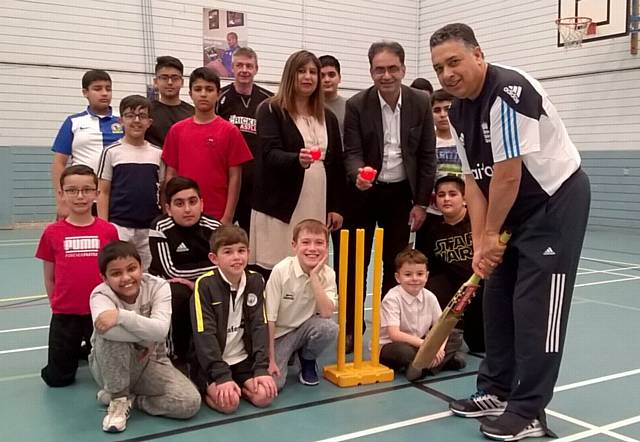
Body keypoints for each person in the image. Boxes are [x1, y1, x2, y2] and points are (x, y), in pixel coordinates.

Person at [430, 23, 590, 440]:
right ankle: (497, 389)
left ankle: (530, 408)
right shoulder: (458, 109)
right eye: (438, 67)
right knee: (496, 297)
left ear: (478, 55)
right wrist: (479, 242)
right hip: (511, 209)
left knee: (537, 308)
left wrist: (488, 236)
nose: (446, 73)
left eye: (454, 62)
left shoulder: (507, 92)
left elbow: (506, 176)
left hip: (553, 205)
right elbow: (473, 181)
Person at [343, 41, 436, 351]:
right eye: (379, 69)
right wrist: (358, 174)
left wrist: (421, 202)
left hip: (401, 196)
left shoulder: (420, 101)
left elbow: (426, 155)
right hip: (365, 195)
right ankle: (351, 329)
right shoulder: (356, 104)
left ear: (403, 69)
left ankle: (387, 332)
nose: (386, 75)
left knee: (392, 265)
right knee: (356, 265)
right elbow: (352, 152)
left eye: (392, 68)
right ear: (371, 72)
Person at [250, 50, 345, 280]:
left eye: (313, 72)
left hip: (316, 197)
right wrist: (296, 159)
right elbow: (268, 153)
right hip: (279, 201)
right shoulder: (270, 109)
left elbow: (335, 164)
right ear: (290, 75)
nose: (308, 77)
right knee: (277, 262)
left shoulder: (327, 116)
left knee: (310, 259)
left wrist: (334, 205)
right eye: (301, 71)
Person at [89, 240, 201, 433]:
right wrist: (144, 340)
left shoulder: (158, 287)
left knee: (189, 403)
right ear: (104, 278)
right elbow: (107, 331)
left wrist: (121, 316)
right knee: (109, 336)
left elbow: (161, 331)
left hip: (152, 361)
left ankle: (132, 400)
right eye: (116, 273)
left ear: (141, 267)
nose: (126, 278)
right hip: (109, 365)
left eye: (131, 269)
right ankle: (118, 398)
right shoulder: (99, 295)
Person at [35, 165, 119, 387]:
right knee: (57, 380)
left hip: (99, 313)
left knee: (110, 377)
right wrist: (56, 304)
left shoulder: (108, 231)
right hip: (66, 314)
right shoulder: (52, 233)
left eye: (86, 190)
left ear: (96, 193)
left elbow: (114, 274)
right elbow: (49, 277)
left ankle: (87, 349)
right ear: (61, 193)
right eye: (72, 190)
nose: (80, 196)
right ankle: (76, 350)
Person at [190, 226, 277, 414]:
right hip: (213, 362)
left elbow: (259, 326)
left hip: (242, 359)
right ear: (214, 258)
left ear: (249, 253)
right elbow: (204, 334)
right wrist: (221, 375)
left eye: (241, 251)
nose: (236, 257)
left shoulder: (255, 281)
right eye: (228, 252)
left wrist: (261, 368)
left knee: (265, 397)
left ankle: (236, 384)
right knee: (229, 405)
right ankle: (206, 387)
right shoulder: (204, 285)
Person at [162, 67, 253, 224]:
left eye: (209, 89)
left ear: (218, 94)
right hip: (183, 215)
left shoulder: (230, 131)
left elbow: (235, 177)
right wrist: (170, 211)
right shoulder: (177, 130)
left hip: (217, 216)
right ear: (190, 94)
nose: (203, 94)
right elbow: (170, 174)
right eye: (198, 89)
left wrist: (228, 217)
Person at [148, 176, 221, 369]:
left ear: (202, 204)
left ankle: (214, 352)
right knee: (177, 294)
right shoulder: (159, 227)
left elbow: (224, 264)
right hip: (170, 286)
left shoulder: (214, 227)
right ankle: (176, 355)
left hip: (202, 284)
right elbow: (169, 270)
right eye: (179, 204)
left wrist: (197, 283)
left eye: (192, 201)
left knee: (218, 290)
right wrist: (203, 275)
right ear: (168, 208)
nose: (187, 209)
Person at [265, 219, 338, 389]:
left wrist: (314, 276)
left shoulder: (328, 274)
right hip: (279, 334)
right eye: (305, 242)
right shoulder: (281, 270)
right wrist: (271, 359)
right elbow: (269, 318)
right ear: (294, 245)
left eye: (319, 243)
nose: (312, 248)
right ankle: (289, 355)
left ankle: (307, 359)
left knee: (329, 328)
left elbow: (326, 313)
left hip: (303, 329)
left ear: (326, 247)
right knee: (274, 385)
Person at [415, 176, 484, 353]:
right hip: (451, 290)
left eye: (452, 194)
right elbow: (425, 265)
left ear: (465, 199)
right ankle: (446, 334)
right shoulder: (429, 229)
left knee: (479, 346)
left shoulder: (478, 222)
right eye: (441, 195)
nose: (446, 199)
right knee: (432, 286)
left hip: (480, 287)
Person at [97, 95, 163, 271]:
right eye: (130, 115)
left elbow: (162, 190)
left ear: (149, 122)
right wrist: (104, 226)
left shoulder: (158, 154)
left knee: (148, 275)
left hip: (149, 227)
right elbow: (102, 191)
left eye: (142, 116)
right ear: (121, 120)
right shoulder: (111, 152)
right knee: (120, 271)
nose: (136, 120)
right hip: (119, 226)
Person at [379, 249, 464, 381]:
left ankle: (422, 366)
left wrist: (438, 348)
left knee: (454, 334)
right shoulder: (392, 298)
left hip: (421, 343)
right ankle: (440, 362)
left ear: (426, 275)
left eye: (420, 274)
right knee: (403, 352)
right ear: (398, 277)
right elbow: (394, 334)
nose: (414, 279)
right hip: (394, 345)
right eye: (408, 274)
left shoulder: (430, 296)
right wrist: (428, 346)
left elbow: (442, 328)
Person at [51, 69, 123, 218]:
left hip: (117, 196)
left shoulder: (123, 120)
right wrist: (61, 201)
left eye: (108, 89)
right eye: (97, 89)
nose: (104, 93)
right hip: (83, 197)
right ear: (85, 92)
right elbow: (59, 163)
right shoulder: (73, 122)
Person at [217, 47, 273, 234]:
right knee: (223, 236)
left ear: (256, 69)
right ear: (232, 68)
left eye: (249, 66)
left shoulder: (269, 100)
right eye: (239, 65)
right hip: (227, 182)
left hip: (257, 183)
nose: (244, 70)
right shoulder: (220, 98)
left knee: (255, 238)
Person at [145, 56, 194, 148]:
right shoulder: (146, 112)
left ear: (182, 82)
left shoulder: (192, 113)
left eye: (175, 78)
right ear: (156, 81)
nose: (170, 82)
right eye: (164, 78)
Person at [319, 55, 347, 137]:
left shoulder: (350, 107)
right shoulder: (307, 106)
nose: (327, 80)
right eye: (322, 76)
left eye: (331, 75)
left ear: (339, 78)